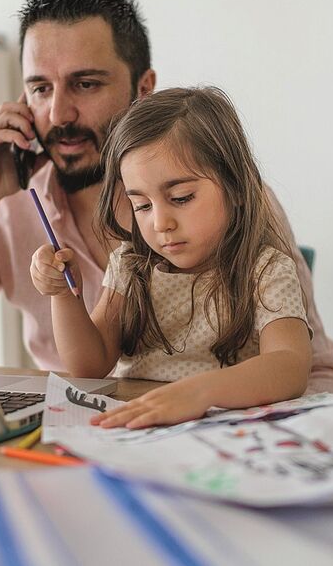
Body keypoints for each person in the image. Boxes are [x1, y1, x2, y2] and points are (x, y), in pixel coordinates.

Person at [0, 0, 333, 394]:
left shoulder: (244, 205)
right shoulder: (12, 207)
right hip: (97, 430)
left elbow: (315, 372)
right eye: (40, 89)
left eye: (85, 84)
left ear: (143, 89)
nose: (58, 114)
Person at [30, 87, 312, 427]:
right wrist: (63, 295)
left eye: (180, 197)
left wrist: (200, 392)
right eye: (142, 205)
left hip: (226, 435)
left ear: (236, 188)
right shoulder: (130, 266)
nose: (160, 223)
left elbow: (290, 366)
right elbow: (89, 367)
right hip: (140, 429)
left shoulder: (264, 270)